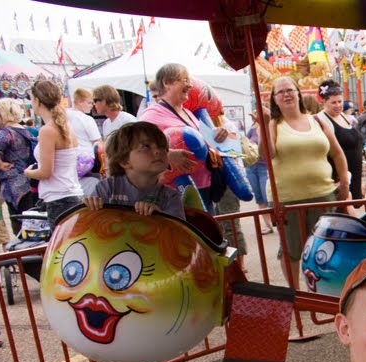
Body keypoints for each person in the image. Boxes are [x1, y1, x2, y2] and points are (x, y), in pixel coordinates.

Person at [268, 75, 350, 261]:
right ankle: (295, 291)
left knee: (325, 250)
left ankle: (319, 289)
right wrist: (265, 126)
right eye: (280, 92)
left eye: (289, 89)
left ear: (298, 93)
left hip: (323, 195)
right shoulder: (273, 124)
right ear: (274, 99)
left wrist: (344, 183)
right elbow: (267, 155)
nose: (286, 94)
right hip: (288, 199)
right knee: (292, 253)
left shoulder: (317, 121)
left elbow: (337, 153)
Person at [137, 63, 230, 212]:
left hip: (204, 187)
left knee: (208, 232)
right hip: (176, 192)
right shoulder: (151, 115)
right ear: (167, 83)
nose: (190, 85)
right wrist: (167, 156)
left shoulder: (188, 112)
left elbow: (202, 143)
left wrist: (217, 135)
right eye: (185, 80)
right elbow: (137, 151)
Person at [83, 120, 184, 217]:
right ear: (124, 161)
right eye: (146, 147)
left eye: (162, 147)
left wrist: (160, 216)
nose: (158, 151)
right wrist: (90, 206)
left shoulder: (170, 197)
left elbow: (181, 231)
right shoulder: (107, 188)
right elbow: (89, 222)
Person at [24, 80, 83, 224]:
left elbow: (45, 172)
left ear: (37, 101)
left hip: (59, 199)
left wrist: (27, 172)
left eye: (32, 99)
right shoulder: (65, 127)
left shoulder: (48, 130)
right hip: (72, 194)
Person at [0, 98, 38, 235]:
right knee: (31, 218)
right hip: (29, 179)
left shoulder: (5, 133)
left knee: (18, 221)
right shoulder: (26, 131)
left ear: (3, 113)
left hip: (13, 183)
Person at [317, 80, 364, 201]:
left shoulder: (343, 116)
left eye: (340, 101)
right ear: (323, 102)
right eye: (333, 102)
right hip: (339, 176)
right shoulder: (322, 119)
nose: (338, 105)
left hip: (355, 172)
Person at [68, 88, 104, 194]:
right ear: (79, 101)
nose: (91, 105)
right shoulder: (86, 119)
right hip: (88, 162)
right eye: (89, 102)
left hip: (71, 162)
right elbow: (98, 143)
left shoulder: (64, 116)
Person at [245, 115, 273, 234]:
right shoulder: (252, 129)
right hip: (252, 166)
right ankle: (268, 225)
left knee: (267, 196)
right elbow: (245, 144)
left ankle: (274, 221)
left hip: (264, 166)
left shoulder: (270, 127)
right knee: (259, 198)